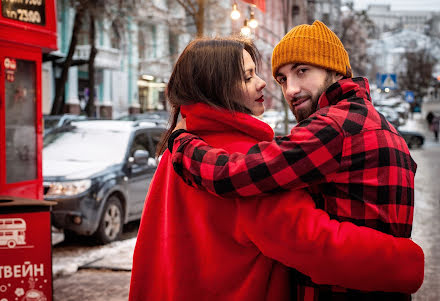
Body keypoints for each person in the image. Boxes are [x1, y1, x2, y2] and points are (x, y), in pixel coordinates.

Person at [129, 36, 423, 301]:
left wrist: (181, 140)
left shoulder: (177, 150)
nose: (265, 84)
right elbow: (314, 244)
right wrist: (405, 262)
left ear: (334, 69)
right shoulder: (233, 152)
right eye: (249, 77)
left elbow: (151, 252)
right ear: (214, 87)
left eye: (301, 71)